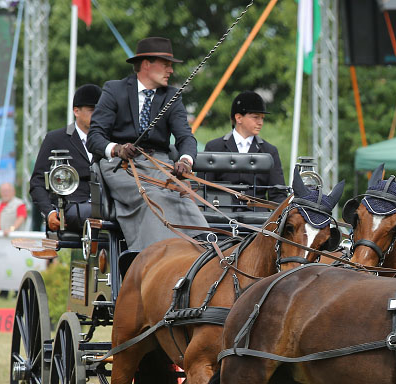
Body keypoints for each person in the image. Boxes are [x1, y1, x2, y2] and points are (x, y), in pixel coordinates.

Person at [86, 36, 205, 251]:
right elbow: (94, 137)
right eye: (166, 65)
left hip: (158, 163)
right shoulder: (114, 90)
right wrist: (117, 149)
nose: (171, 70)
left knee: (183, 196)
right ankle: (155, 254)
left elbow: (185, 137)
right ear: (147, 64)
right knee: (154, 195)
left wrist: (186, 160)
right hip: (118, 165)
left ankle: (202, 253)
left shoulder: (172, 96)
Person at [30, 84, 101, 231]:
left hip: (106, 204)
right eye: (92, 110)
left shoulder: (111, 140)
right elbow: (37, 182)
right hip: (70, 207)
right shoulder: (55, 139)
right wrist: (49, 212)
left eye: (101, 111)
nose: (98, 115)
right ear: (76, 111)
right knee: (88, 213)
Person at [202, 90, 285, 198]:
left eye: (262, 118)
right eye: (256, 117)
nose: (260, 122)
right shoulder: (213, 147)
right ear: (239, 118)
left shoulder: (270, 151)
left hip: (258, 212)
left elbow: (278, 194)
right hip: (221, 211)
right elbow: (203, 189)